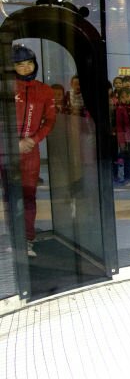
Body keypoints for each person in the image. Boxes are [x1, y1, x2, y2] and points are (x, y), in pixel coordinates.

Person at [8, 46, 56, 256]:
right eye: (20, 64)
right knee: (10, 195)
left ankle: (27, 239)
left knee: (28, 196)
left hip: (30, 152)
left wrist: (33, 139)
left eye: (29, 63)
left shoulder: (45, 90)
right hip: (6, 152)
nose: (26, 68)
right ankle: (12, 238)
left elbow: (50, 121)